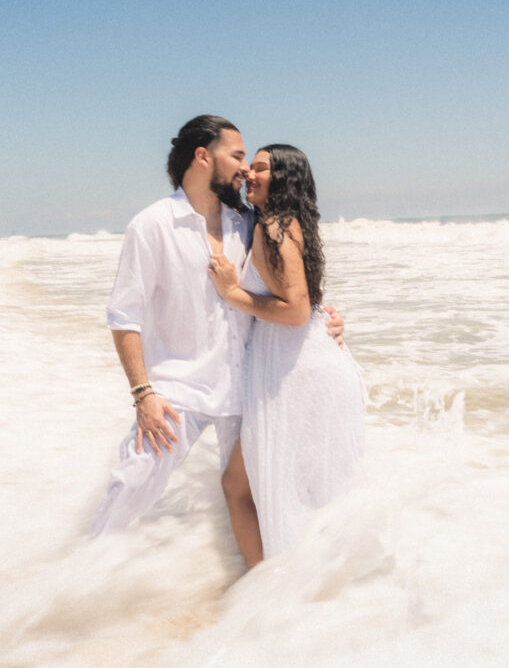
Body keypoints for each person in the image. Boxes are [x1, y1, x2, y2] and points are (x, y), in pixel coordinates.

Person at [92, 117, 343, 541]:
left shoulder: (246, 222)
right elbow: (124, 316)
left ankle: (262, 589)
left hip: (246, 386)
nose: (245, 169)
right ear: (204, 156)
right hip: (178, 388)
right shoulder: (151, 225)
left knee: (261, 495)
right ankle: (82, 577)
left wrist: (324, 320)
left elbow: (287, 287)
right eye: (238, 156)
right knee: (131, 482)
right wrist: (142, 393)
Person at [207, 144, 366, 563]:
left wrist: (231, 293)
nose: (250, 175)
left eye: (260, 168)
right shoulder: (290, 225)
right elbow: (304, 305)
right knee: (310, 495)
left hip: (296, 374)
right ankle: (302, 597)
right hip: (303, 367)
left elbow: (295, 312)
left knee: (239, 488)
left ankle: (267, 600)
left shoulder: (273, 227)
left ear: (283, 178)